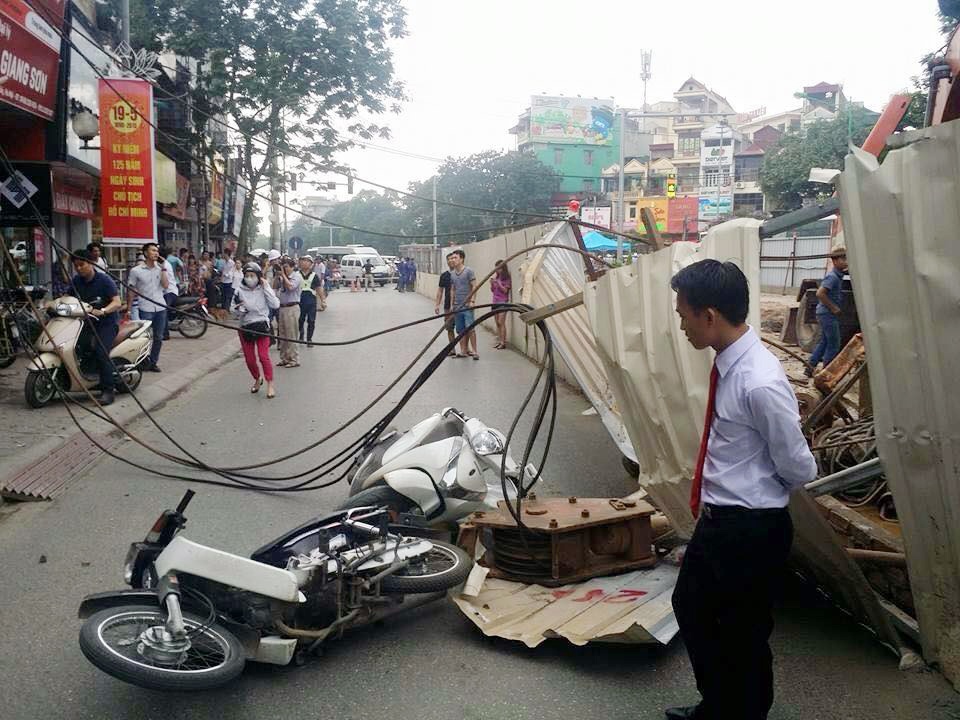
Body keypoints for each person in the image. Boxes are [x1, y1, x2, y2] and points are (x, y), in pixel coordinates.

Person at [667, 259, 817, 720]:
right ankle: (718, 705)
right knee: (690, 607)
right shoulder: (730, 366)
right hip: (719, 522)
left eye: (683, 314)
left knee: (744, 634)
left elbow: (799, 466)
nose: (682, 324)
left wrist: (755, 493)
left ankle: (744, 714)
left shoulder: (760, 381)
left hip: (751, 529)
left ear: (708, 316)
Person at [70, 249, 123, 405]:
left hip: (106, 323)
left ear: (90, 263)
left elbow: (117, 302)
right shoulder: (76, 281)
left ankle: (108, 390)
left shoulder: (104, 280)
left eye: (81, 265)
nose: (79, 268)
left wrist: (103, 311)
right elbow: (68, 298)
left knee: (101, 352)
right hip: (84, 323)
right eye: (76, 266)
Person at [233, 262, 278, 398]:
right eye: (247, 275)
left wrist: (266, 287)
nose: (250, 278)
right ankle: (257, 379)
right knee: (250, 359)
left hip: (261, 326)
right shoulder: (239, 290)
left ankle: (270, 384)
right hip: (245, 327)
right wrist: (239, 309)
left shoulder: (264, 288)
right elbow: (232, 308)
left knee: (263, 357)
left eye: (252, 275)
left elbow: (275, 304)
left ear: (259, 276)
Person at [806, 245, 849, 377]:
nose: (846, 262)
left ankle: (810, 368)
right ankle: (826, 374)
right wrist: (834, 308)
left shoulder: (838, 275)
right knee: (834, 344)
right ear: (835, 261)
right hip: (827, 314)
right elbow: (820, 293)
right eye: (844, 259)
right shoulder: (833, 277)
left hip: (825, 314)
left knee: (824, 342)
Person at [127, 242, 170, 372]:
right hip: (145, 308)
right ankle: (142, 360)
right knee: (145, 337)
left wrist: (163, 269)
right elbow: (131, 290)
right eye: (153, 250)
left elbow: (166, 285)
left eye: (157, 251)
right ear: (146, 253)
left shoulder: (160, 268)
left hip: (160, 307)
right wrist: (128, 309)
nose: (156, 253)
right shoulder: (136, 271)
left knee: (158, 337)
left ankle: (153, 362)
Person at [449, 249, 478, 360]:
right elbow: (452, 289)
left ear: (461, 259)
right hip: (457, 306)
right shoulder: (452, 274)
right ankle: (463, 351)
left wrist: (472, 301)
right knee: (460, 329)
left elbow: (474, 286)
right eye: (452, 258)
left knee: (470, 328)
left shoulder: (468, 271)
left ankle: (475, 351)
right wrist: (452, 304)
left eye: (455, 258)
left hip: (467, 305)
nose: (453, 260)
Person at [274, 256, 302, 368]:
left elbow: (291, 287)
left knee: (291, 334)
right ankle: (285, 358)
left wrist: (284, 276)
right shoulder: (282, 277)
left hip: (292, 307)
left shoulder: (296, 276)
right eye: (283, 267)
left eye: (286, 267)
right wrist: (277, 277)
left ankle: (294, 359)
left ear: (292, 267)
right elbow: (274, 287)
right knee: (282, 334)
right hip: (282, 307)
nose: (284, 269)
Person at [434, 252, 457, 357]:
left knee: (464, 328)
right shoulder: (444, 275)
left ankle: (466, 349)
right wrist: (437, 305)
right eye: (448, 259)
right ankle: (452, 349)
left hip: (460, 305)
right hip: (448, 306)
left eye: (453, 258)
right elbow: (440, 291)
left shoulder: (461, 273)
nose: (451, 261)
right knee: (449, 328)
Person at [298, 255, 323, 345]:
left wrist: (323, 300)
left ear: (311, 264)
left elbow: (319, 288)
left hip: (311, 301)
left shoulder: (314, 276)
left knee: (311, 321)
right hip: (299, 301)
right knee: (300, 320)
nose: (305, 262)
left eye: (307, 261)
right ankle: (301, 335)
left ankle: (309, 339)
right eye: (303, 261)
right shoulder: (296, 275)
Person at [158, 248, 179, 340]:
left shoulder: (164, 265)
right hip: (170, 291)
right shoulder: (164, 264)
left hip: (169, 292)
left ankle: (165, 334)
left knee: (163, 311)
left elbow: (163, 281)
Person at [490, 259, 511, 349]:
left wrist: (498, 283)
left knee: (501, 322)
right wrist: (491, 284)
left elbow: (505, 291)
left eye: (499, 268)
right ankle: (499, 340)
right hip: (495, 301)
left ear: (503, 268)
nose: (497, 270)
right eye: (496, 268)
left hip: (503, 302)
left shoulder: (507, 278)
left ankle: (503, 342)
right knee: (497, 323)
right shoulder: (496, 277)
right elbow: (493, 290)